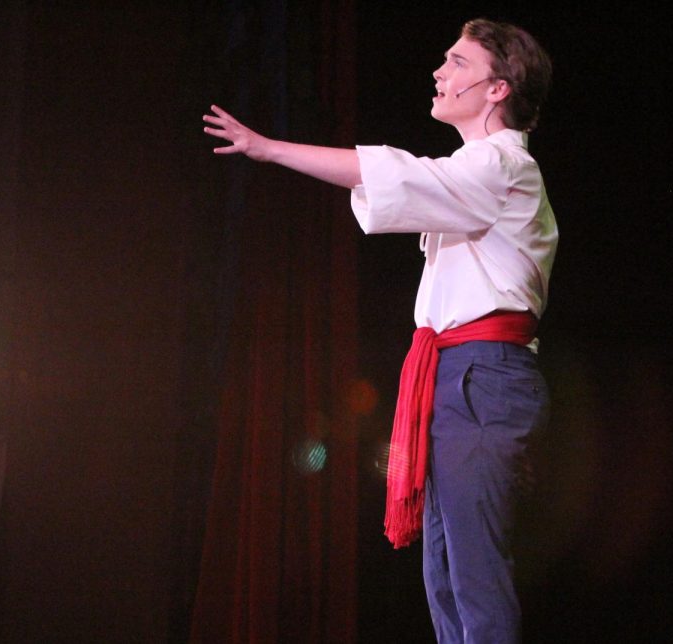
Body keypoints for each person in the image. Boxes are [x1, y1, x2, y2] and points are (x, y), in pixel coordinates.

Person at [202, 18, 556, 644]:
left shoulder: (503, 169)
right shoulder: (474, 172)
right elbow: (404, 183)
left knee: (473, 576)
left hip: (482, 374)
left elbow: (393, 173)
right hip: (461, 375)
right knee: (446, 576)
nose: (440, 73)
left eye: (456, 63)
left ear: (497, 88)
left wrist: (269, 148)